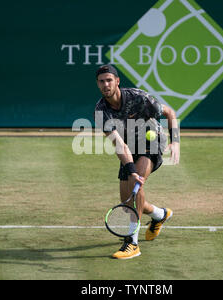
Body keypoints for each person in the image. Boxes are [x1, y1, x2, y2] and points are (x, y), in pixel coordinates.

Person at [94, 64, 180, 259]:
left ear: (117, 81)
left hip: (152, 140)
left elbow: (169, 113)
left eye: (109, 80)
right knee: (128, 203)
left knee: (136, 185)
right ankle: (160, 214)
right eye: (101, 81)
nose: (106, 84)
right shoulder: (101, 111)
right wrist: (131, 168)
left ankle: (132, 243)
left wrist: (175, 141)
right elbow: (119, 145)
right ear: (98, 85)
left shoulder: (139, 98)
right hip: (129, 147)